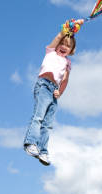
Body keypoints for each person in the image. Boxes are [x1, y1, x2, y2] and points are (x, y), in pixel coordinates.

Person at [23, 21, 83, 166]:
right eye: (62, 44)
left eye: (68, 46)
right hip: (43, 86)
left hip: (53, 91)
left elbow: (65, 80)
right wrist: (71, 26)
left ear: (72, 50)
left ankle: (43, 151)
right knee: (38, 117)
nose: (64, 47)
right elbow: (58, 37)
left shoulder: (67, 63)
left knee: (48, 124)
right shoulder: (50, 52)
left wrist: (60, 92)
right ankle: (30, 143)